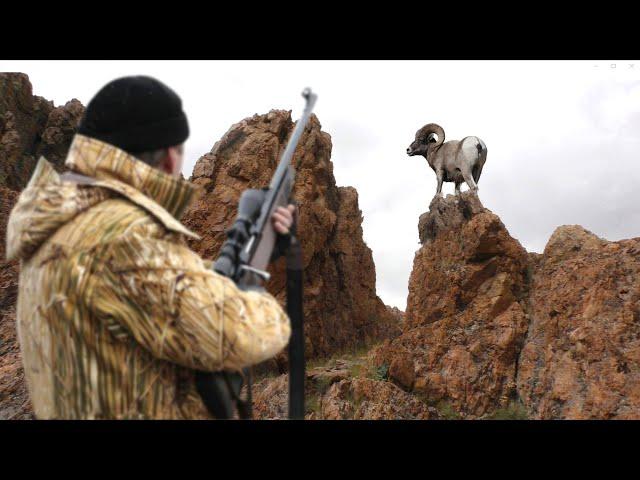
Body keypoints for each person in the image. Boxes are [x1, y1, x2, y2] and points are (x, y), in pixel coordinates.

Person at [5, 76, 295, 419]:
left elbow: (159, 292)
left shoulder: (59, 226)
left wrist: (248, 250)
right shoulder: (120, 234)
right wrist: (263, 298)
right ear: (170, 159)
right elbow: (235, 334)